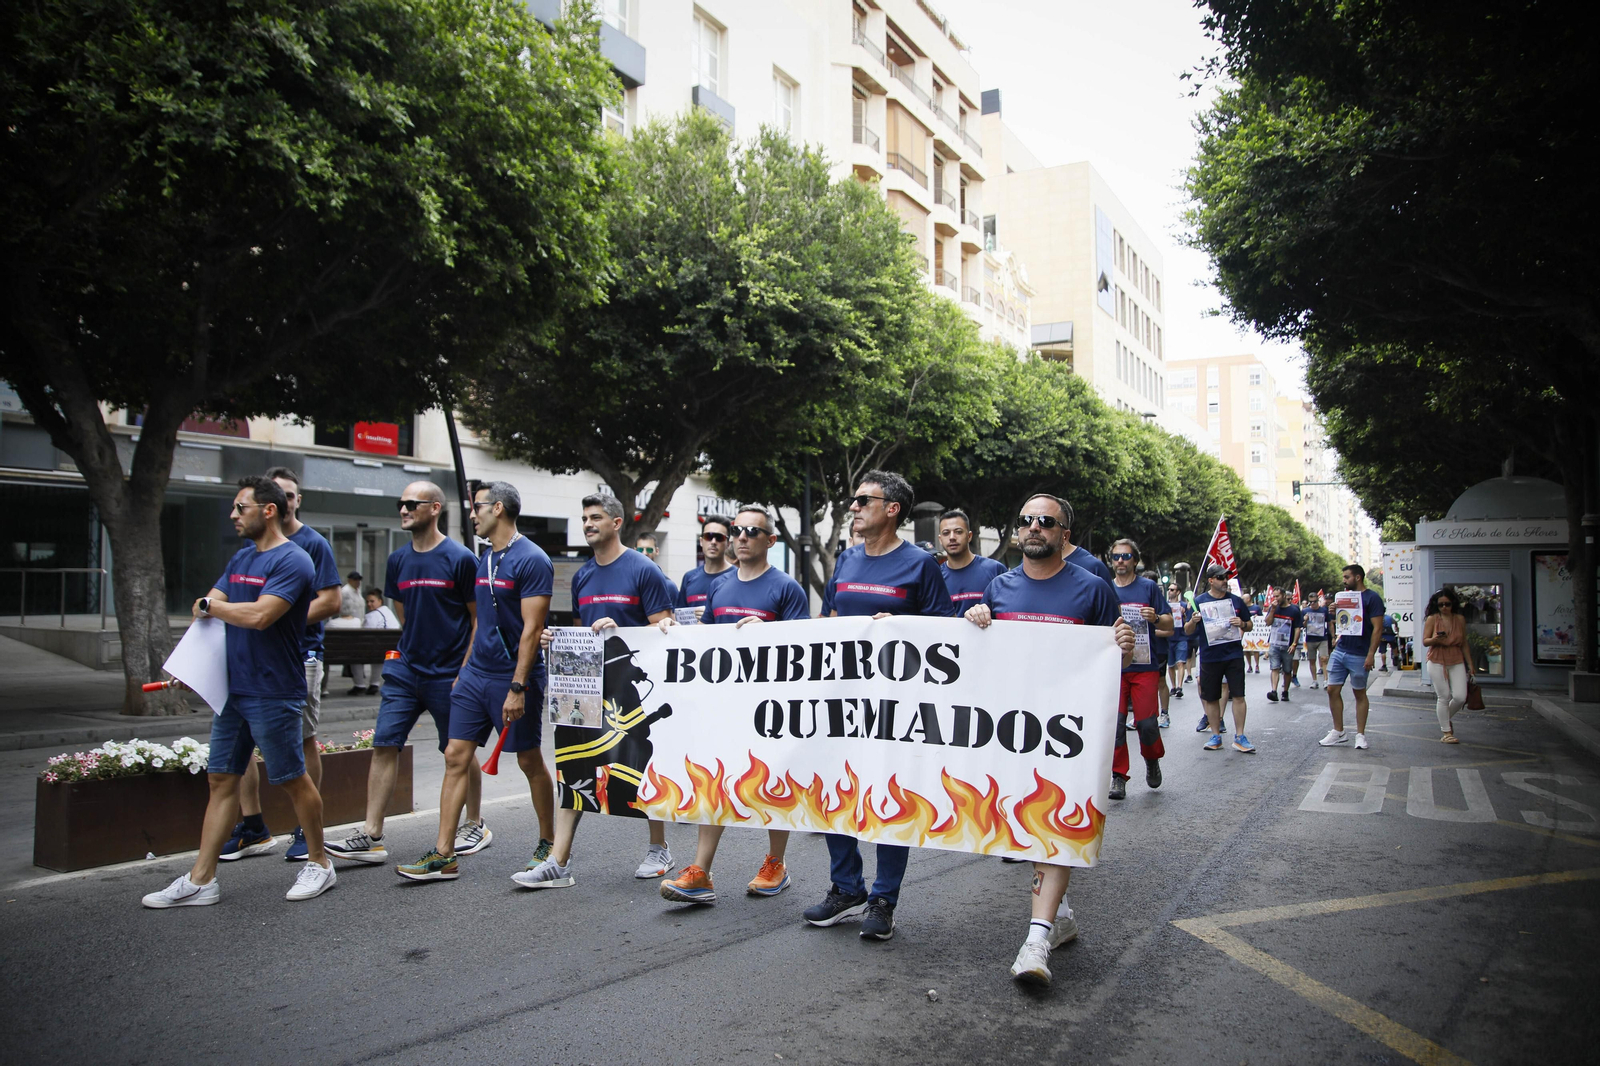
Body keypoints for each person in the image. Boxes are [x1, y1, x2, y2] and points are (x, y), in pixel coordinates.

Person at [964, 492, 1135, 986]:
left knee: (1055, 826)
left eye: (1046, 522)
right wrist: (975, 621)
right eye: (1026, 521)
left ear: (1064, 535)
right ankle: (1057, 915)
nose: (1034, 527)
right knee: (1026, 825)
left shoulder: (1094, 588)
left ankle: (1035, 942)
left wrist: (1123, 649)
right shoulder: (998, 588)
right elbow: (977, 663)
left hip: (1070, 738)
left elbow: (1113, 662)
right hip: (1011, 735)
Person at [142, 476, 333, 907]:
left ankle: (320, 863)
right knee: (221, 778)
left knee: (290, 778)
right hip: (233, 688)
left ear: (268, 510)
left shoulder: (295, 561)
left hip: (273, 690)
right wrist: (192, 661)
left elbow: (261, 615)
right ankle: (201, 879)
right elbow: (206, 608)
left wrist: (214, 607)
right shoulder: (243, 557)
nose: (233, 515)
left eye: (240, 507)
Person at [803, 470, 954, 942]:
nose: (853, 507)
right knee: (834, 791)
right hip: (841, 701)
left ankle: (884, 898)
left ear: (892, 509)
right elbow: (828, 623)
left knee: (891, 794)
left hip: (896, 707)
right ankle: (846, 887)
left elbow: (944, 633)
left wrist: (904, 627)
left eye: (863, 500)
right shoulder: (845, 559)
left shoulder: (921, 564)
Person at [396, 482, 556, 882]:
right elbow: (480, 621)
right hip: (475, 675)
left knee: (527, 760)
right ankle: (443, 854)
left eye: (477, 507)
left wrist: (518, 687)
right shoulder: (484, 558)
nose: (472, 514)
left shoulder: (532, 559)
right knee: (454, 755)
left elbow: (532, 630)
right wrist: (464, 672)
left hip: (513, 677)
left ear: (498, 508)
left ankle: (549, 844)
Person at [518, 493, 677, 889]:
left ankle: (660, 848)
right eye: (584, 517)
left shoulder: (644, 570)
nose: (588, 523)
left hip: (629, 691)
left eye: (596, 517)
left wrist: (620, 631)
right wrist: (556, 640)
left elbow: (666, 629)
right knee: (572, 767)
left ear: (617, 522)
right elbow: (581, 633)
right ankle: (558, 860)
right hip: (587, 689)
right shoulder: (583, 576)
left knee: (642, 764)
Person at [659, 507, 811, 905]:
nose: (742, 537)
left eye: (752, 532)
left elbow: (805, 648)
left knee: (774, 783)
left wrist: (772, 634)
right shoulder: (720, 586)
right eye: (737, 531)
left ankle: (776, 864)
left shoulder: (786, 588)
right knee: (713, 781)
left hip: (771, 709)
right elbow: (706, 637)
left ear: (770, 541)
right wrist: (674, 635)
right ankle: (700, 871)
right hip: (723, 706)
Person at [326, 482, 483, 865]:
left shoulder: (461, 558)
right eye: (400, 504)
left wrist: (463, 669)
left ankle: (475, 821)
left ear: (434, 508)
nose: (403, 509)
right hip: (407, 669)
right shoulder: (398, 560)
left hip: (449, 674)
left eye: (411, 503)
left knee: (457, 752)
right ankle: (372, 834)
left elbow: (478, 619)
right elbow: (403, 611)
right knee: (384, 743)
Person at [218, 467, 341, 864]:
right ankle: (253, 825)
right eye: (279, 494)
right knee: (238, 756)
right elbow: (226, 601)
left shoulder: (308, 546)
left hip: (297, 658)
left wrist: (279, 612)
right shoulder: (248, 551)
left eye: (290, 495)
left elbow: (329, 601)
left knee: (298, 747)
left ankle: (308, 836)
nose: (285, 501)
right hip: (247, 664)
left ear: (293, 501)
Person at [1107, 545, 1171, 799]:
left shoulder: (1148, 588)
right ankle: (1118, 776)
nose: (1120, 560)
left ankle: (1152, 758)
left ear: (1135, 561)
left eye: (1126, 556)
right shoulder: (1105, 587)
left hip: (1145, 666)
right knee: (1116, 725)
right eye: (1116, 556)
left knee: (1147, 724)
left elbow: (1170, 624)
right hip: (1114, 668)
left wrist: (1155, 618)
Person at [1184, 564, 1255, 754]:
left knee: (1239, 695)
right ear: (1211, 580)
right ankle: (1216, 735)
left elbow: (1250, 625)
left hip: (1233, 655)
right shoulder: (1199, 601)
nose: (1225, 581)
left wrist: (1242, 623)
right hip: (1210, 656)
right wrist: (1193, 620)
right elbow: (1187, 630)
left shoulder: (1237, 602)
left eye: (1226, 578)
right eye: (1221, 578)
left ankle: (1240, 736)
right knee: (1211, 697)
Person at [1319, 564, 1386, 750]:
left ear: (1358, 577)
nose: (1344, 580)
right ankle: (1338, 732)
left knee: (1359, 693)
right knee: (1332, 689)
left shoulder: (1372, 598)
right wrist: (1334, 610)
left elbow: (1378, 628)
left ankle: (1360, 735)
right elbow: (1341, 621)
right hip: (1341, 649)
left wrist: (1371, 654)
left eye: (1347, 577)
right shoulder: (1344, 597)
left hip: (1360, 653)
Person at [1421, 588, 1476, 743]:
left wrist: (1470, 664)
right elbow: (1425, 641)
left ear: (1453, 604)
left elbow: (1464, 642)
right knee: (1444, 695)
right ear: (1436, 605)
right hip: (1436, 658)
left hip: (1456, 658)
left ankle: (1444, 718)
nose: (1444, 607)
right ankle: (1446, 732)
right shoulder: (1433, 619)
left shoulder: (1459, 619)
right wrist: (1435, 639)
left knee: (1460, 697)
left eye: (1447, 604)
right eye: (1440, 605)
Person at [938, 508, 1007, 611]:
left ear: (969, 536)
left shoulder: (995, 570)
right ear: (940, 539)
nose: (952, 537)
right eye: (946, 533)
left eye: (958, 532)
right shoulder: (936, 577)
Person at [677, 515, 735, 618]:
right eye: (708, 537)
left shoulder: (738, 576)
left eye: (719, 538)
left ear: (728, 544)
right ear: (701, 541)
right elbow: (679, 616)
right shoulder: (689, 577)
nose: (713, 542)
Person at [1143, 570, 1173, 729]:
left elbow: (1170, 629)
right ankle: (1143, 716)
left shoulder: (1158, 602)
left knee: (1160, 682)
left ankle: (1164, 713)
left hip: (1159, 649)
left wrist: (1151, 627)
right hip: (1140, 651)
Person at [1264, 588, 1302, 703]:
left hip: (1287, 645)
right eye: (1274, 596)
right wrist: (1272, 610)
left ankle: (1285, 691)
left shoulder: (1294, 610)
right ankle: (1274, 691)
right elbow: (1268, 622)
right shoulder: (1274, 608)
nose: (1275, 599)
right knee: (1274, 668)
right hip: (1275, 644)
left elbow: (1297, 628)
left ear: (1284, 596)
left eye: (1278, 596)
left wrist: (1294, 644)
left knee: (1287, 670)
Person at [1165, 583, 1189, 724]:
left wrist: (1184, 613)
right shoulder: (1165, 604)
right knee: (1171, 664)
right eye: (1169, 589)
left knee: (1181, 663)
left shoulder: (1184, 605)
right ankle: (1173, 686)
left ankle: (1179, 686)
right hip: (1169, 638)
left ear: (1178, 592)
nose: (1170, 591)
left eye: (1172, 589)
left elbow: (1189, 622)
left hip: (1181, 637)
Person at [636, 532, 680, 606]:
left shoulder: (669, 586)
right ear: (635, 551)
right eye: (640, 550)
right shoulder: (627, 583)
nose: (644, 553)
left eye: (649, 550)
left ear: (657, 551)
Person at [1302, 593, 1330, 689]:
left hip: (1322, 638)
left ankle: (1326, 680)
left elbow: (1329, 623)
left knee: (1324, 659)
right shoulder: (1305, 611)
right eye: (1311, 602)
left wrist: (1333, 636)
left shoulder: (1323, 610)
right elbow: (1303, 626)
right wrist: (1305, 620)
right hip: (1310, 639)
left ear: (1318, 601)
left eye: (1314, 601)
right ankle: (1314, 680)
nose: (1313, 604)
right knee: (1312, 660)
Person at [1243, 599, 1267, 673]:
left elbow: (1262, 618)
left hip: (1255, 631)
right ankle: (1249, 666)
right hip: (1246, 631)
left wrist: (1258, 616)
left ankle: (1257, 665)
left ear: (1248, 599)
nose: (1243, 600)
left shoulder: (1256, 607)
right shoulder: (1243, 607)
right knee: (1247, 649)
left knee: (1256, 648)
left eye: (1244, 599)